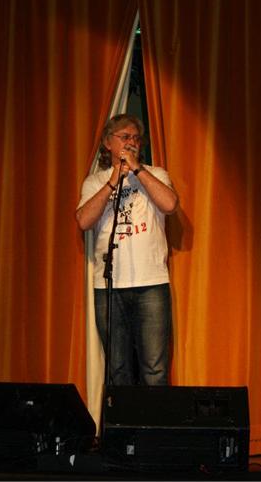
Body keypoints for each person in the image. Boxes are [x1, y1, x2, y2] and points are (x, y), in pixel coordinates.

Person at [76, 113, 178, 385]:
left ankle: (155, 415)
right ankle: (122, 416)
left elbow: (170, 205)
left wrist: (138, 170)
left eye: (135, 138)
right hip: (109, 287)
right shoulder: (94, 182)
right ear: (108, 143)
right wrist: (113, 180)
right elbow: (84, 221)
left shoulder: (156, 174)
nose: (131, 142)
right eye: (124, 137)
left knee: (154, 370)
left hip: (151, 284)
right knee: (118, 370)